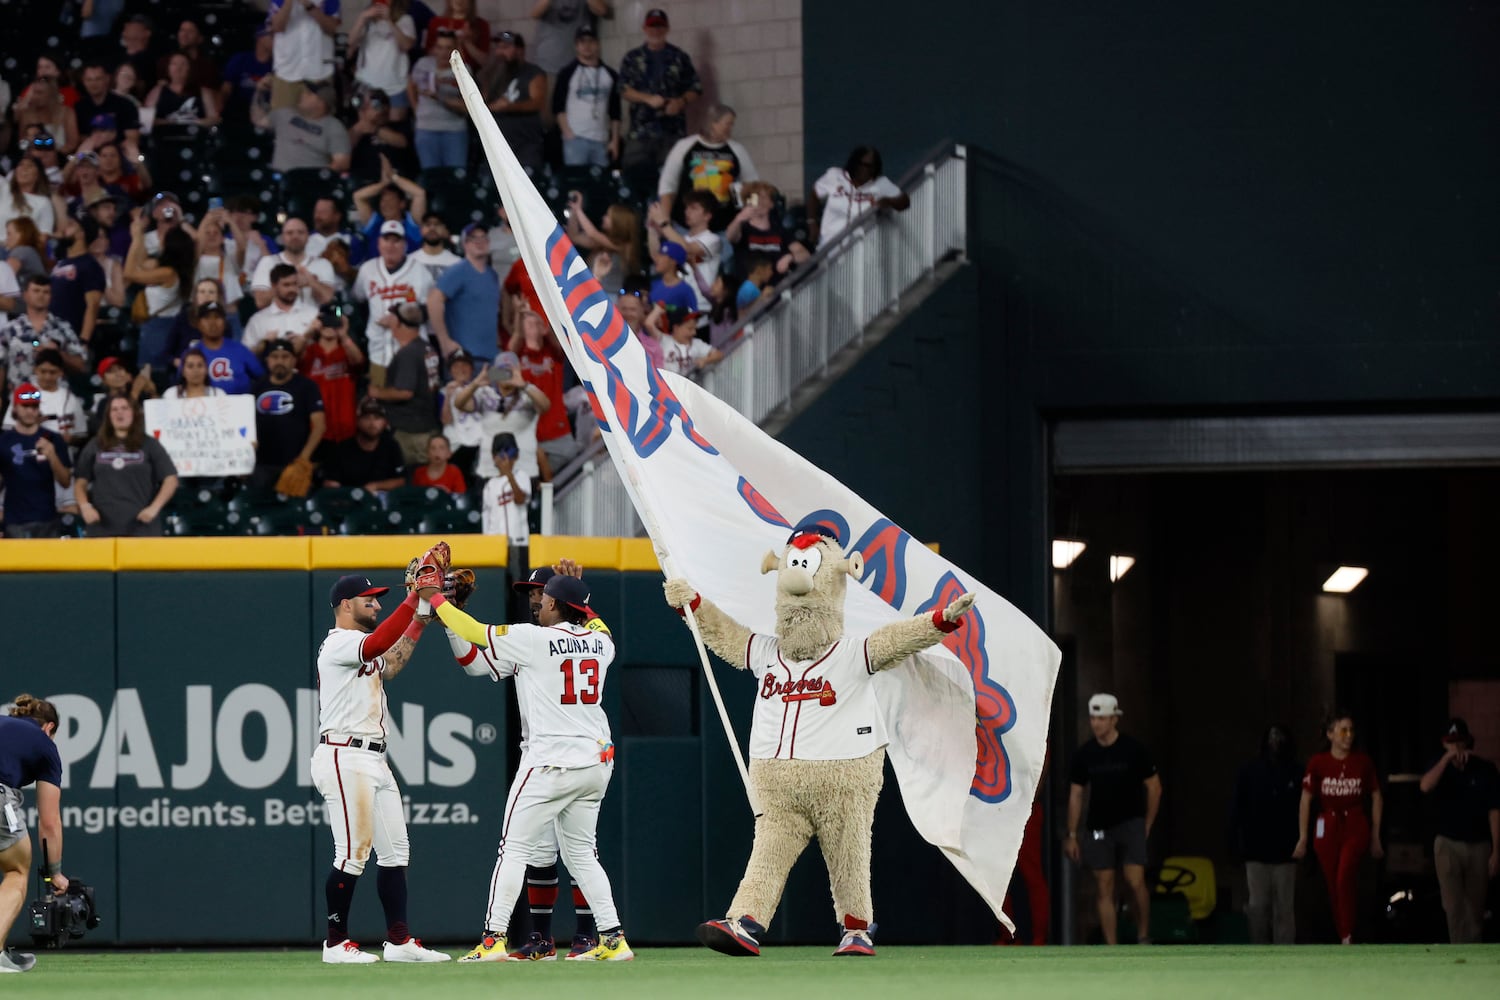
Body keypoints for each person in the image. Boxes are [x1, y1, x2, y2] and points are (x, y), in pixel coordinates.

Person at [420, 569, 633, 961]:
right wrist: (582, 601)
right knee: (584, 855)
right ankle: (615, 939)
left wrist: (436, 598)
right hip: (594, 764)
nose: (538, 602)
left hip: (550, 762)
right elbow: (594, 619)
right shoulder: (603, 643)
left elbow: (473, 630)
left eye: (545, 597)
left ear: (553, 604)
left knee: (512, 849)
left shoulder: (534, 638)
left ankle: (492, 940)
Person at [312, 570, 450, 964]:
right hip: (343, 753)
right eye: (368, 599)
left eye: (378, 599)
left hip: (373, 755)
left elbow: (389, 664)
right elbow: (378, 644)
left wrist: (420, 621)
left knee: (396, 852)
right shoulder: (339, 643)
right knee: (352, 853)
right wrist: (413, 600)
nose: (376, 604)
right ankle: (336, 943)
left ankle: (399, 941)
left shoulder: (361, 646)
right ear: (345, 605)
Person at [1064, 693, 1162, 945]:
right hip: (1099, 827)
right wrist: (1073, 834)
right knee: (1104, 885)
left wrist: (1146, 823)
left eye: (1102, 718)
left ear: (1114, 720)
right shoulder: (1085, 754)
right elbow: (1076, 794)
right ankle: (1112, 945)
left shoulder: (1134, 750)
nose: (1096, 723)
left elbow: (1154, 787)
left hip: (1130, 823)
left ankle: (1143, 933)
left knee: (1134, 880)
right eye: (1093, 718)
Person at [1293, 711, 1383, 945]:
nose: (1348, 735)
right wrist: (1303, 838)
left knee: (1344, 876)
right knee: (1332, 882)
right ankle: (1344, 933)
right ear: (1330, 734)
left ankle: (1347, 934)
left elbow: (1376, 796)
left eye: (1351, 730)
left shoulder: (1363, 762)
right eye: (1343, 730)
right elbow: (1305, 799)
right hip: (1327, 825)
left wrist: (1376, 835)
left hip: (1354, 823)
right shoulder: (1318, 762)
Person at [0, 694, 69, 974]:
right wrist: (55, 873)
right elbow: (49, 822)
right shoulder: (44, 744)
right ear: (49, 727)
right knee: (16, 871)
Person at [1417, 717, 1500, 944]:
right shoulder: (1438, 765)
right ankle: (1457, 949)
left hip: (1479, 844)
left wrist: (1496, 850)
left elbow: (1495, 810)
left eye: (1459, 742)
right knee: (1452, 905)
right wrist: (1446, 760)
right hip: (1447, 843)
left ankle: (1473, 949)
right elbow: (1425, 786)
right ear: (1444, 744)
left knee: (1475, 905)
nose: (1456, 747)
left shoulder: (1485, 769)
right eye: (1451, 742)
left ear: (1468, 742)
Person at [1229, 724, 1302, 944]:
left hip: (1287, 853)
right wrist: (1235, 844)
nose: (1275, 742)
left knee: (1284, 909)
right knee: (1258, 906)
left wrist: (1306, 844)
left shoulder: (1298, 772)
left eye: (1279, 737)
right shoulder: (1249, 771)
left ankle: (1285, 954)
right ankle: (1259, 951)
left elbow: (1309, 809)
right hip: (1256, 851)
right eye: (1271, 737)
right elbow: (1236, 809)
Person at [74, 395, 178, 536]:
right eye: (114, 409)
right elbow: (80, 481)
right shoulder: (95, 444)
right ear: (108, 416)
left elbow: (171, 479)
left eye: (124, 408)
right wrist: (85, 506)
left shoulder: (150, 444)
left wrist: (154, 508)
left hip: (141, 527)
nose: (119, 413)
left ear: (134, 413)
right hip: (102, 527)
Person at [618, 8, 701, 170]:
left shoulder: (679, 57)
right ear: (645, 29)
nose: (656, 31)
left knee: (672, 179)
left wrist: (680, 102)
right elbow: (623, 88)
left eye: (660, 27)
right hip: (640, 132)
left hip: (672, 131)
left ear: (667, 29)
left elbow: (695, 88)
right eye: (652, 26)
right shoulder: (632, 58)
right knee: (636, 179)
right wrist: (647, 99)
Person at [353, 220, 435, 375]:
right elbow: (358, 302)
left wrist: (400, 318)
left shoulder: (420, 271)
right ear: (378, 243)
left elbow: (428, 311)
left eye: (396, 241)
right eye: (386, 240)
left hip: (412, 353)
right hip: (378, 353)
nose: (390, 245)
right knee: (379, 394)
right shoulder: (367, 270)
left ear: (404, 244)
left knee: (409, 396)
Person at [657, 104, 757, 227]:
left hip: (725, 224)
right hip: (686, 226)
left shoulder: (737, 149)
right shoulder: (685, 146)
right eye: (728, 124)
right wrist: (665, 220)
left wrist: (752, 216)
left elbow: (752, 185)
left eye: (732, 124)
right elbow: (668, 186)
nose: (731, 128)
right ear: (713, 123)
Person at [249, 338, 326, 491]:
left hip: (295, 463)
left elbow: (320, 426)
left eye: (285, 356)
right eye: (275, 356)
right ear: (267, 360)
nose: (280, 361)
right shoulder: (256, 386)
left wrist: (304, 459)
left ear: (294, 360)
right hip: (261, 465)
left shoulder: (307, 386)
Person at [368, 302, 439, 467]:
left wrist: (376, 393)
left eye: (393, 317)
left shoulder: (409, 353)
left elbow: (405, 392)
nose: (389, 320)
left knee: (411, 483)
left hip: (411, 433)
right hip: (426, 425)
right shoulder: (426, 347)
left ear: (399, 323)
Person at [0, 383, 72, 538]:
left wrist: (52, 455)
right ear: (15, 407)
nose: (30, 411)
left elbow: (65, 481)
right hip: (15, 521)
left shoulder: (54, 439)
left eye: (34, 406)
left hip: (47, 519)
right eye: (25, 406)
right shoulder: (4, 441)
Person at [124, 214, 194, 371]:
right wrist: (140, 232)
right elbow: (141, 263)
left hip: (160, 328)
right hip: (158, 325)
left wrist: (135, 239)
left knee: (153, 373)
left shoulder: (167, 273)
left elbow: (129, 273)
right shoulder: (172, 269)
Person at [429, 223, 501, 364]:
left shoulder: (492, 275)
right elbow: (433, 300)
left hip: (491, 358)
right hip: (464, 359)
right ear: (465, 244)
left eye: (483, 238)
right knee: (464, 387)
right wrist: (444, 342)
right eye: (474, 238)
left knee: (495, 385)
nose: (479, 242)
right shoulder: (457, 271)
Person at [810, 146, 910, 247]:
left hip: (862, 249)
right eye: (860, 164)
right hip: (830, 245)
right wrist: (812, 223)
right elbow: (814, 196)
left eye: (868, 165)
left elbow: (904, 202)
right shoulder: (835, 176)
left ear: (875, 168)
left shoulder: (881, 183)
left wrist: (887, 201)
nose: (863, 168)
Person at [2, 277, 88, 392]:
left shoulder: (63, 327)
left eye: (46, 292)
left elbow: (81, 366)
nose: (41, 295)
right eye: (36, 291)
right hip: (21, 400)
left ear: (51, 297)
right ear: (25, 295)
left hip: (56, 400)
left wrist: (58, 353)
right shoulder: (10, 329)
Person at [553, 25, 620, 168]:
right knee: (577, 184)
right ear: (577, 45)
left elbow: (615, 111)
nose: (587, 45)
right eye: (582, 42)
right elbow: (558, 106)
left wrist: (614, 140)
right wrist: (568, 133)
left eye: (591, 41)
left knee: (600, 184)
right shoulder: (567, 73)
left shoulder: (610, 74)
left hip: (601, 139)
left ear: (597, 44)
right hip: (576, 138)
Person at [482, 32, 547, 176]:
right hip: (497, 145)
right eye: (498, 47)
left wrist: (509, 107)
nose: (500, 52)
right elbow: (484, 102)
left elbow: (537, 103)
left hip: (526, 146)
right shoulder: (492, 73)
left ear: (519, 50)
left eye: (505, 47)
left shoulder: (533, 73)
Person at [300, 303, 365, 446]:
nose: (329, 325)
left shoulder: (346, 350)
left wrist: (344, 334)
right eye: (325, 321)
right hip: (314, 429)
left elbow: (359, 361)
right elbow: (293, 355)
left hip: (344, 428)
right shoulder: (310, 351)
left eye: (334, 321)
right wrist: (310, 331)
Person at [1, 351, 89, 450]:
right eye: (43, 371)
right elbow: (8, 429)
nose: (47, 377)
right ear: (35, 370)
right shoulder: (23, 393)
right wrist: (29, 425)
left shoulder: (70, 399)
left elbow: (81, 434)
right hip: (28, 454)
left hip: (60, 456)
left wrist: (71, 439)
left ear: (61, 372)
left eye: (52, 372)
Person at [265, 0, 340, 111]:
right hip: (287, 71)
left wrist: (310, 6)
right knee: (283, 121)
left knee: (319, 123)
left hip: (319, 72)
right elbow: (276, 27)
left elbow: (333, 28)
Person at [351, 0, 418, 121]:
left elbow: (406, 45)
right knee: (366, 123)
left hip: (394, 87)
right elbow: (350, 44)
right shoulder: (367, 20)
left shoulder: (405, 20)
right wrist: (362, 17)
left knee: (395, 124)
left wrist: (389, 21)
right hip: (366, 84)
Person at [322, 397, 407, 491]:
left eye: (377, 418)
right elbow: (331, 483)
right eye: (366, 418)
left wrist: (376, 486)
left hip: (382, 502)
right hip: (350, 501)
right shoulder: (342, 449)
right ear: (358, 421)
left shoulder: (391, 447)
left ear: (384, 422)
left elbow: (401, 480)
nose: (372, 423)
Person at [183, 301, 264, 395]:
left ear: (225, 322)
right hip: (204, 406)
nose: (212, 323)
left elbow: (261, 377)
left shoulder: (240, 349)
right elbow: (181, 384)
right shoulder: (192, 354)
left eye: (217, 317)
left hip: (238, 406)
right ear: (198, 324)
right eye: (207, 318)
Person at [244, 263, 321, 357]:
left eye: (295, 284)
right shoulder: (258, 320)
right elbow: (245, 355)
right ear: (274, 286)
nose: (292, 289)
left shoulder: (313, 313)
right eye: (286, 285)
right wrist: (264, 344)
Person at [481, 431, 530, 544]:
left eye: (511, 455)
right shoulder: (489, 485)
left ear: (516, 455)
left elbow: (520, 500)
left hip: (518, 540)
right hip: (495, 542)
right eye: (502, 456)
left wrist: (509, 474)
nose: (507, 460)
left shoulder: (521, 476)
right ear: (494, 458)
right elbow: (486, 517)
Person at [659, 305, 720, 376]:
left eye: (695, 328)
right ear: (676, 328)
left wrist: (705, 360)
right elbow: (648, 324)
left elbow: (718, 354)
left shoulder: (696, 343)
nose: (694, 332)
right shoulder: (663, 340)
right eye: (690, 328)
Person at [414, 213, 462, 282]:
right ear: (421, 230)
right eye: (428, 224)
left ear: (444, 229)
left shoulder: (457, 263)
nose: (432, 228)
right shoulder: (410, 261)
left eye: (437, 224)